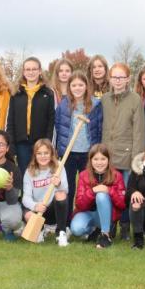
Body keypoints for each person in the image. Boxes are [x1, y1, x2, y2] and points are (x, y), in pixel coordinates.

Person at [101, 62, 145, 240]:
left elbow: (139, 131)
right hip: (108, 157)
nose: (117, 81)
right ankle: (111, 225)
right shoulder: (105, 99)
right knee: (110, 193)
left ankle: (126, 227)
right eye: (114, 77)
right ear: (110, 79)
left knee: (126, 194)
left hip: (127, 157)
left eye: (121, 77)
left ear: (127, 79)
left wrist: (137, 160)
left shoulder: (135, 100)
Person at [54, 71, 103, 218]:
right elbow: (58, 127)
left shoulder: (95, 105)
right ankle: (67, 221)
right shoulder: (63, 105)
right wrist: (58, 149)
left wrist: (97, 150)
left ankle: (87, 219)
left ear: (86, 86)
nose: (77, 88)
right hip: (68, 153)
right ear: (69, 87)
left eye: (81, 85)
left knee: (88, 187)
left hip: (88, 153)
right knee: (67, 186)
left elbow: (99, 128)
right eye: (74, 85)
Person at [71, 143, 127, 249]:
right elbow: (79, 204)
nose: (99, 162)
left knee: (101, 195)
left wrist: (108, 190)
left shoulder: (116, 175)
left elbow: (122, 204)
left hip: (109, 215)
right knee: (76, 229)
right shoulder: (83, 175)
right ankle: (95, 231)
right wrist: (93, 191)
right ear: (90, 160)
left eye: (103, 159)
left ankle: (105, 235)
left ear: (108, 160)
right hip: (89, 213)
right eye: (96, 159)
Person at [6, 56, 55, 173]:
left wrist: (47, 143)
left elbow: (51, 120)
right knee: (25, 173)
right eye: (28, 69)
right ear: (23, 72)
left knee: (41, 174)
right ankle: (25, 192)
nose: (31, 72)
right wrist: (11, 144)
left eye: (34, 69)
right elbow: (10, 121)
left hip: (40, 143)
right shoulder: (16, 94)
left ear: (39, 71)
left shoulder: (48, 94)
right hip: (21, 143)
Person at [21, 139, 69, 246]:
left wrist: (59, 184)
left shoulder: (59, 167)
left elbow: (65, 191)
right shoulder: (29, 172)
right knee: (28, 215)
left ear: (51, 154)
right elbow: (25, 198)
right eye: (39, 153)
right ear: (35, 155)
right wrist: (35, 206)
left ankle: (61, 233)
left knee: (60, 194)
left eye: (46, 153)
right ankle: (40, 231)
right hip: (38, 210)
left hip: (52, 209)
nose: (43, 156)